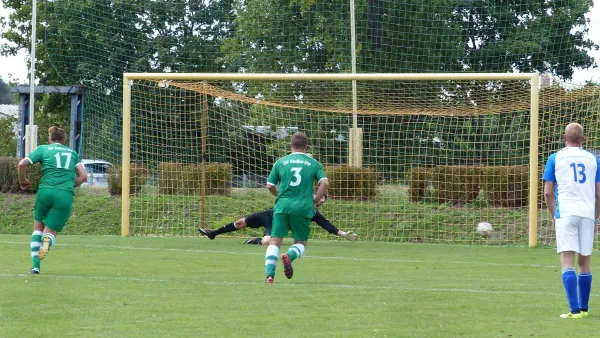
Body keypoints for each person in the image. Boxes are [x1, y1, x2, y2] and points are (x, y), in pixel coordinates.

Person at [543, 122, 600, 319]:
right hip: (587, 213)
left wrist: (555, 216)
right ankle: (584, 309)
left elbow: (548, 193)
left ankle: (574, 310)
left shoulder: (555, 158)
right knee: (585, 261)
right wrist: (596, 219)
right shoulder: (593, 159)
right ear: (583, 140)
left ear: (564, 138)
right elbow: (599, 194)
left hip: (566, 212)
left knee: (567, 262)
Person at [18, 126, 88, 274]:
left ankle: (35, 266)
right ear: (63, 140)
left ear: (50, 138)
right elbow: (83, 177)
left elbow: (22, 164)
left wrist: (23, 180)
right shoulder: (73, 153)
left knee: (38, 228)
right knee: (50, 232)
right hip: (64, 195)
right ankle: (48, 240)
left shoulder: (43, 149)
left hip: (45, 192)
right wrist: (69, 184)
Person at [263, 132, 328, 284]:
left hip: (282, 206)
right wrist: (315, 201)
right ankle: (289, 256)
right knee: (300, 242)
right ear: (307, 146)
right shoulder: (314, 163)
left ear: (290, 145)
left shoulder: (280, 162)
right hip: (303, 207)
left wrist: (279, 195)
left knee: (275, 241)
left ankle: (269, 276)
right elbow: (324, 183)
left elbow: (270, 185)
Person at [198, 203, 358, 244]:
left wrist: (343, 234)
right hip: (271, 213)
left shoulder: (313, 213)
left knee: (268, 242)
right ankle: (213, 233)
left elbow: (327, 225)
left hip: (278, 220)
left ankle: (256, 241)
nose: (320, 199)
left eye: (323, 199)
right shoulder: (301, 197)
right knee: (241, 222)